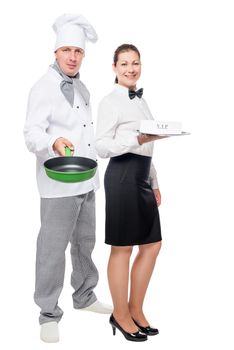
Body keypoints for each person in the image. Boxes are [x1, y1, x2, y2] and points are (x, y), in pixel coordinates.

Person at [24, 14, 112, 343]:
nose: (73, 57)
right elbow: (31, 133)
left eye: (78, 51)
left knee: (84, 244)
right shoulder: (43, 87)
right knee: (51, 248)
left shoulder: (82, 86)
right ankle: (48, 313)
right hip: (58, 182)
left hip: (87, 179)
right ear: (56, 53)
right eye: (67, 51)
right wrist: (53, 143)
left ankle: (85, 296)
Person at [96, 44, 164, 342]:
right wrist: (134, 138)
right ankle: (120, 313)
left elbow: (147, 145)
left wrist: (155, 181)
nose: (130, 69)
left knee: (152, 244)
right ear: (114, 67)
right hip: (122, 176)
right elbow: (101, 146)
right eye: (124, 64)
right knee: (122, 248)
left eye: (135, 63)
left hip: (142, 176)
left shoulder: (142, 101)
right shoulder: (110, 101)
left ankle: (135, 309)